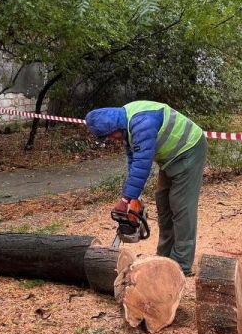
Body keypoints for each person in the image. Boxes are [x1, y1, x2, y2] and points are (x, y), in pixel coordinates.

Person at [85, 100, 206, 276]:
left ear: (114, 128)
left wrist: (125, 200)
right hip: (170, 158)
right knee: (163, 204)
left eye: (110, 136)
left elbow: (143, 164)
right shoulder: (126, 123)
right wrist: (134, 196)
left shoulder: (142, 124)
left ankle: (181, 264)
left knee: (182, 207)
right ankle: (164, 257)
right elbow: (133, 161)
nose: (111, 139)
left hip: (189, 150)